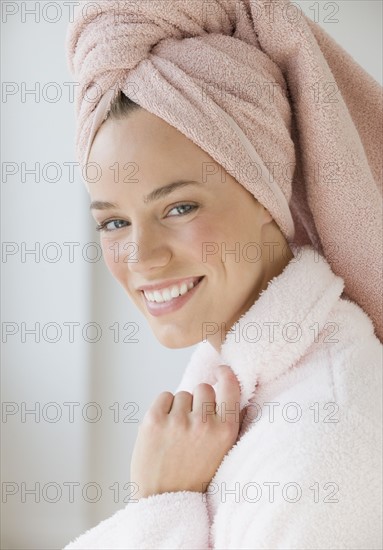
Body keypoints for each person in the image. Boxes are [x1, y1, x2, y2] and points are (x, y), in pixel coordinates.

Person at [64, 1, 382, 548]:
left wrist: (161, 504)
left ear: (267, 191)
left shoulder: (323, 446)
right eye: (114, 221)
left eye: (179, 207)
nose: (141, 256)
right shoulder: (236, 378)